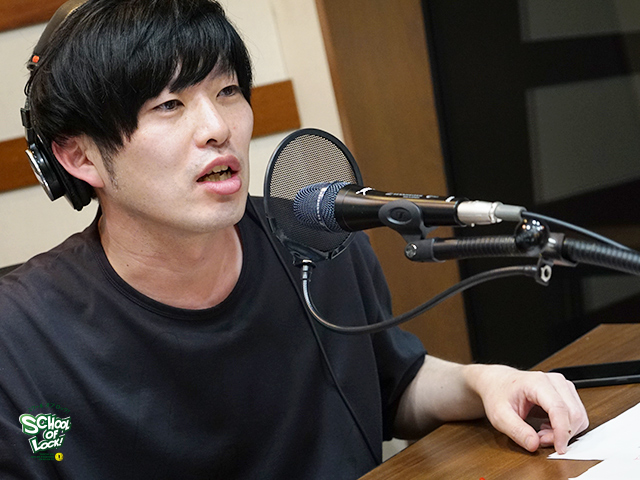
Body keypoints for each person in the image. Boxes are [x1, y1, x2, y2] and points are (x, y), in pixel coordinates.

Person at [0, 0, 588, 478]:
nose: (218, 128)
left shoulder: (315, 237)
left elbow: (395, 384)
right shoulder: (20, 334)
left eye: (228, 91)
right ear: (78, 156)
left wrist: (485, 382)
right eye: (170, 104)